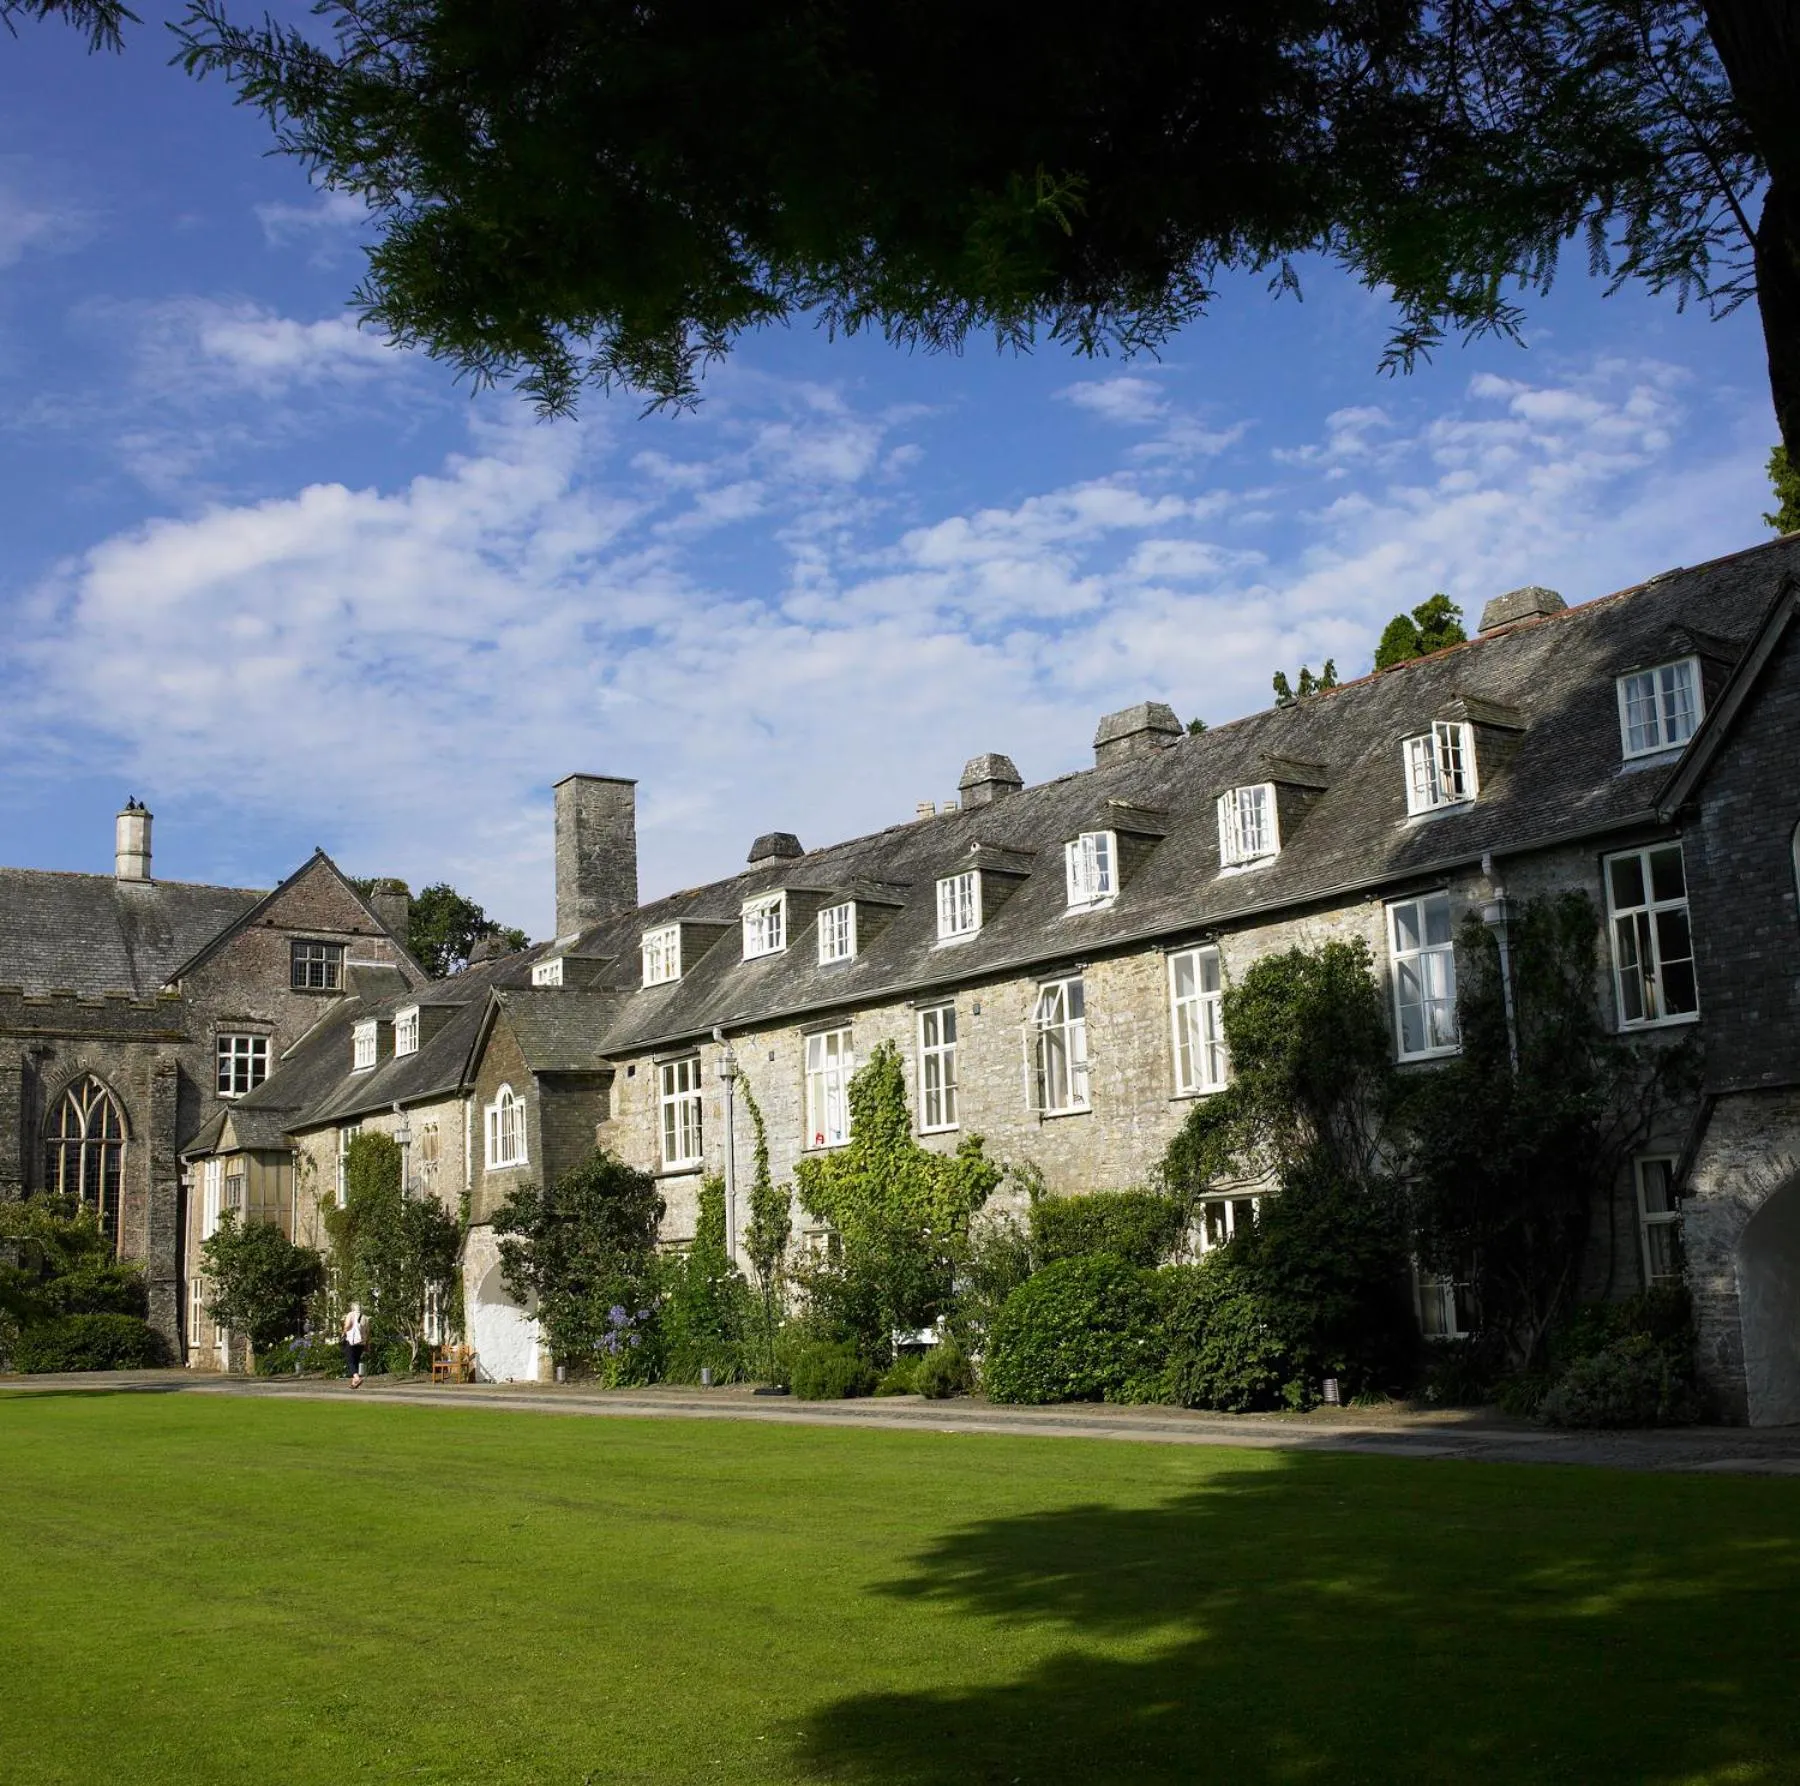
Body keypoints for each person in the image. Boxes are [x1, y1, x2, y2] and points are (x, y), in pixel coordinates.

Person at [342, 1304, 366, 1388]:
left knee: (350, 1360)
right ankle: (354, 1383)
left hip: (352, 1341)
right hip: (362, 1342)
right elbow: (368, 1332)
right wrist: (367, 1344)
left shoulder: (351, 1314)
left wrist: (344, 1331)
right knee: (356, 1360)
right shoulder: (365, 1317)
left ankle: (357, 1378)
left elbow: (348, 1326)